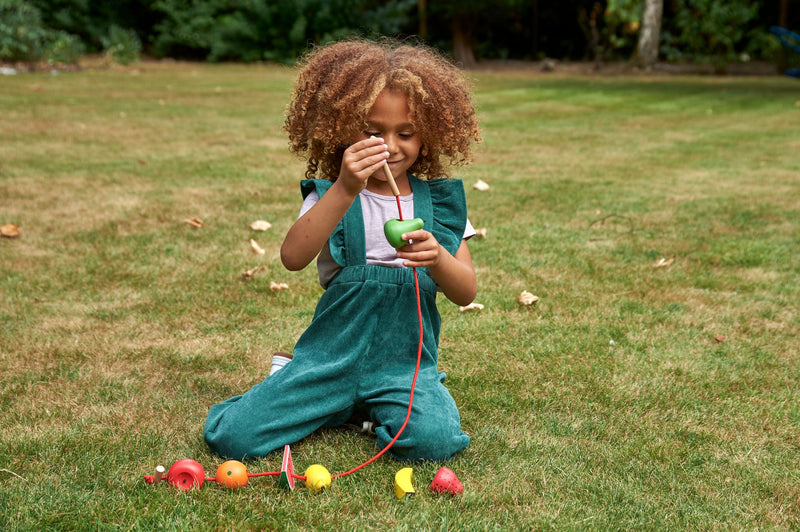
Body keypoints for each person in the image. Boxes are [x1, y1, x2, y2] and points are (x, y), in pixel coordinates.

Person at [204, 39, 481, 462]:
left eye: (405, 133)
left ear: (428, 135)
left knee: (434, 443)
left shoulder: (438, 205)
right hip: (329, 360)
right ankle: (302, 381)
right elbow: (292, 258)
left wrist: (438, 259)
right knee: (233, 439)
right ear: (340, 129)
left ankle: (358, 408)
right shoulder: (334, 194)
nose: (389, 146)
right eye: (372, 132)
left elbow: (466, 292)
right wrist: (346, 187)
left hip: (403, 367)